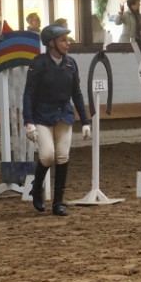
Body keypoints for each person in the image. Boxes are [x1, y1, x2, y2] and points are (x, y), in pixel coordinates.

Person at [23, 25, 91, 216]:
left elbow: (76, 93)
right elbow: (29, 94)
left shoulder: (71, 64)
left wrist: (85, 121)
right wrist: (28, 121)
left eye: (67, 40)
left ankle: (58, 202)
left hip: (64, 115)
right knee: (47, 156)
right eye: (63, 40)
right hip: (42, 116)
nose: (68, 43)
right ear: (51, 43)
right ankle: (37, 187)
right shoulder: (38, 63)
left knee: (62, 157)